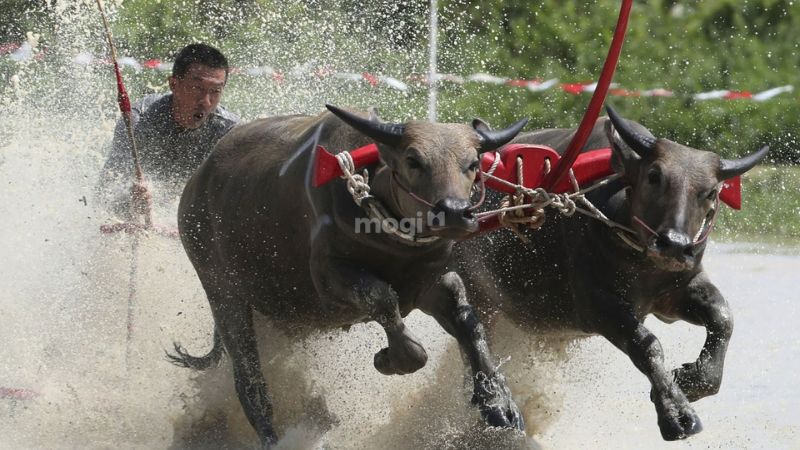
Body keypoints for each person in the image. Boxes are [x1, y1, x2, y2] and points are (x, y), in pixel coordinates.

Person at [97, 43, 240, 219]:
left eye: (215, 91)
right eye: (197, 88)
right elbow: (105, 190)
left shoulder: (229, 133)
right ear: (173, 84)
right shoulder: (138, 121)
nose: (205, 101)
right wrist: (129, 195)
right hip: (132, 216)